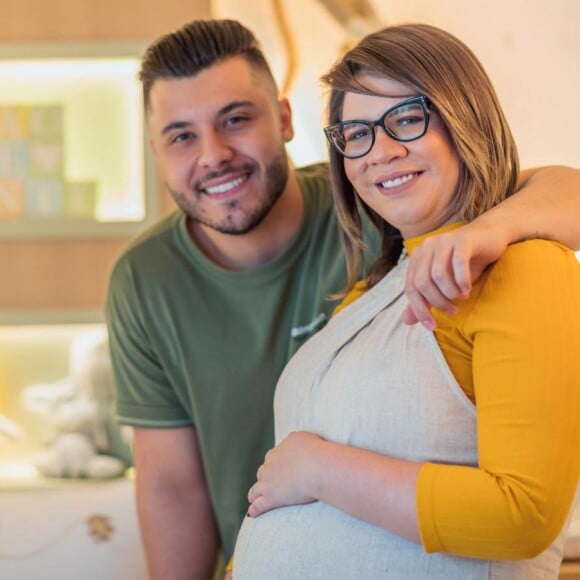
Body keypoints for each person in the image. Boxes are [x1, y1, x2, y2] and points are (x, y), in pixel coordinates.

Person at [104, 19, 580, 580]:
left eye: (405, 118)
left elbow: (522, 516)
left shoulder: (479, 253)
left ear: (283, 119)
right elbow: (172, 488)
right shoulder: (372, 270)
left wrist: (490, 229)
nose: (213, 155)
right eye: (182, 135)